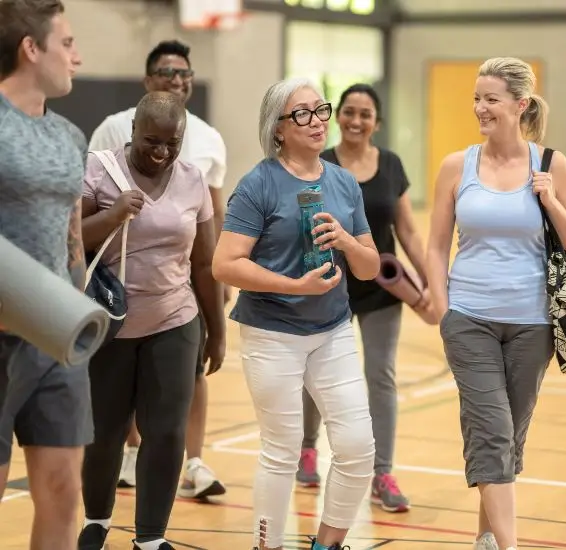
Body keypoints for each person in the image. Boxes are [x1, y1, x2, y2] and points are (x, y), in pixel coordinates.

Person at [426, 57, 566, 550]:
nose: (480, 108)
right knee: (492, 432)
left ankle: (485, 538)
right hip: (469, 317)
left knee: (508, 439)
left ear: (520, 105)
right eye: (476, 98)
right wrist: (441, 304)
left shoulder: (551, 164)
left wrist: (551, 200)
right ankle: (510, 546)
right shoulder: (457, 165)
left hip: (533, 324)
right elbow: (435, 244)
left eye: (490, 99)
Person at [212, 77, 380, 550]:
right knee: (282, 451)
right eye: (302, 113)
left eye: (320, 109)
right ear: (279, 128)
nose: (317, 120)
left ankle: (327, 544)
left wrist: (347, 241)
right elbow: (224, 264)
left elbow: (369, 268)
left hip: (333, 331)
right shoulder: (259, 183)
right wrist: (293, 285)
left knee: (356, 448)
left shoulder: (343, 182)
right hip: (272, 333)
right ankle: (268, 545)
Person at [77, 91, 226, 550]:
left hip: (175, 321)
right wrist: (113, 213)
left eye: (171, 143)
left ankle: (150, 538)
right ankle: (97, 521)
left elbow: (204, 264)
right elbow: (72, 240)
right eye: (151, 141)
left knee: (165, 434)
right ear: (133, 133)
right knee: (104, 433)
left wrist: (216, 330)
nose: (161, 151)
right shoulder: (99, 169)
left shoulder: (192, 179)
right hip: (111, 323)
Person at [297, 83, 430, 513]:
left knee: (380, 376)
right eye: (349, 112)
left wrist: (429, 283)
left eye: (365, 114)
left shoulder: (390, 164)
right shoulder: (320, 163)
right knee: (314, 371)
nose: (356, 120)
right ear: (338, 116)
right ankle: (307, 449)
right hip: (327, 283)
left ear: (377, 121)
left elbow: (407, 230)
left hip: (380, 286)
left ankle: (383, 473)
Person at [0, 1, 92, 548]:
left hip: (54, 342)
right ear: (30, 50)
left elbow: (71, 234)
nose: (77, 58)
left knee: (62, 488)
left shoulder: (69, 138)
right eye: (67, 44)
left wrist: (78, 312)